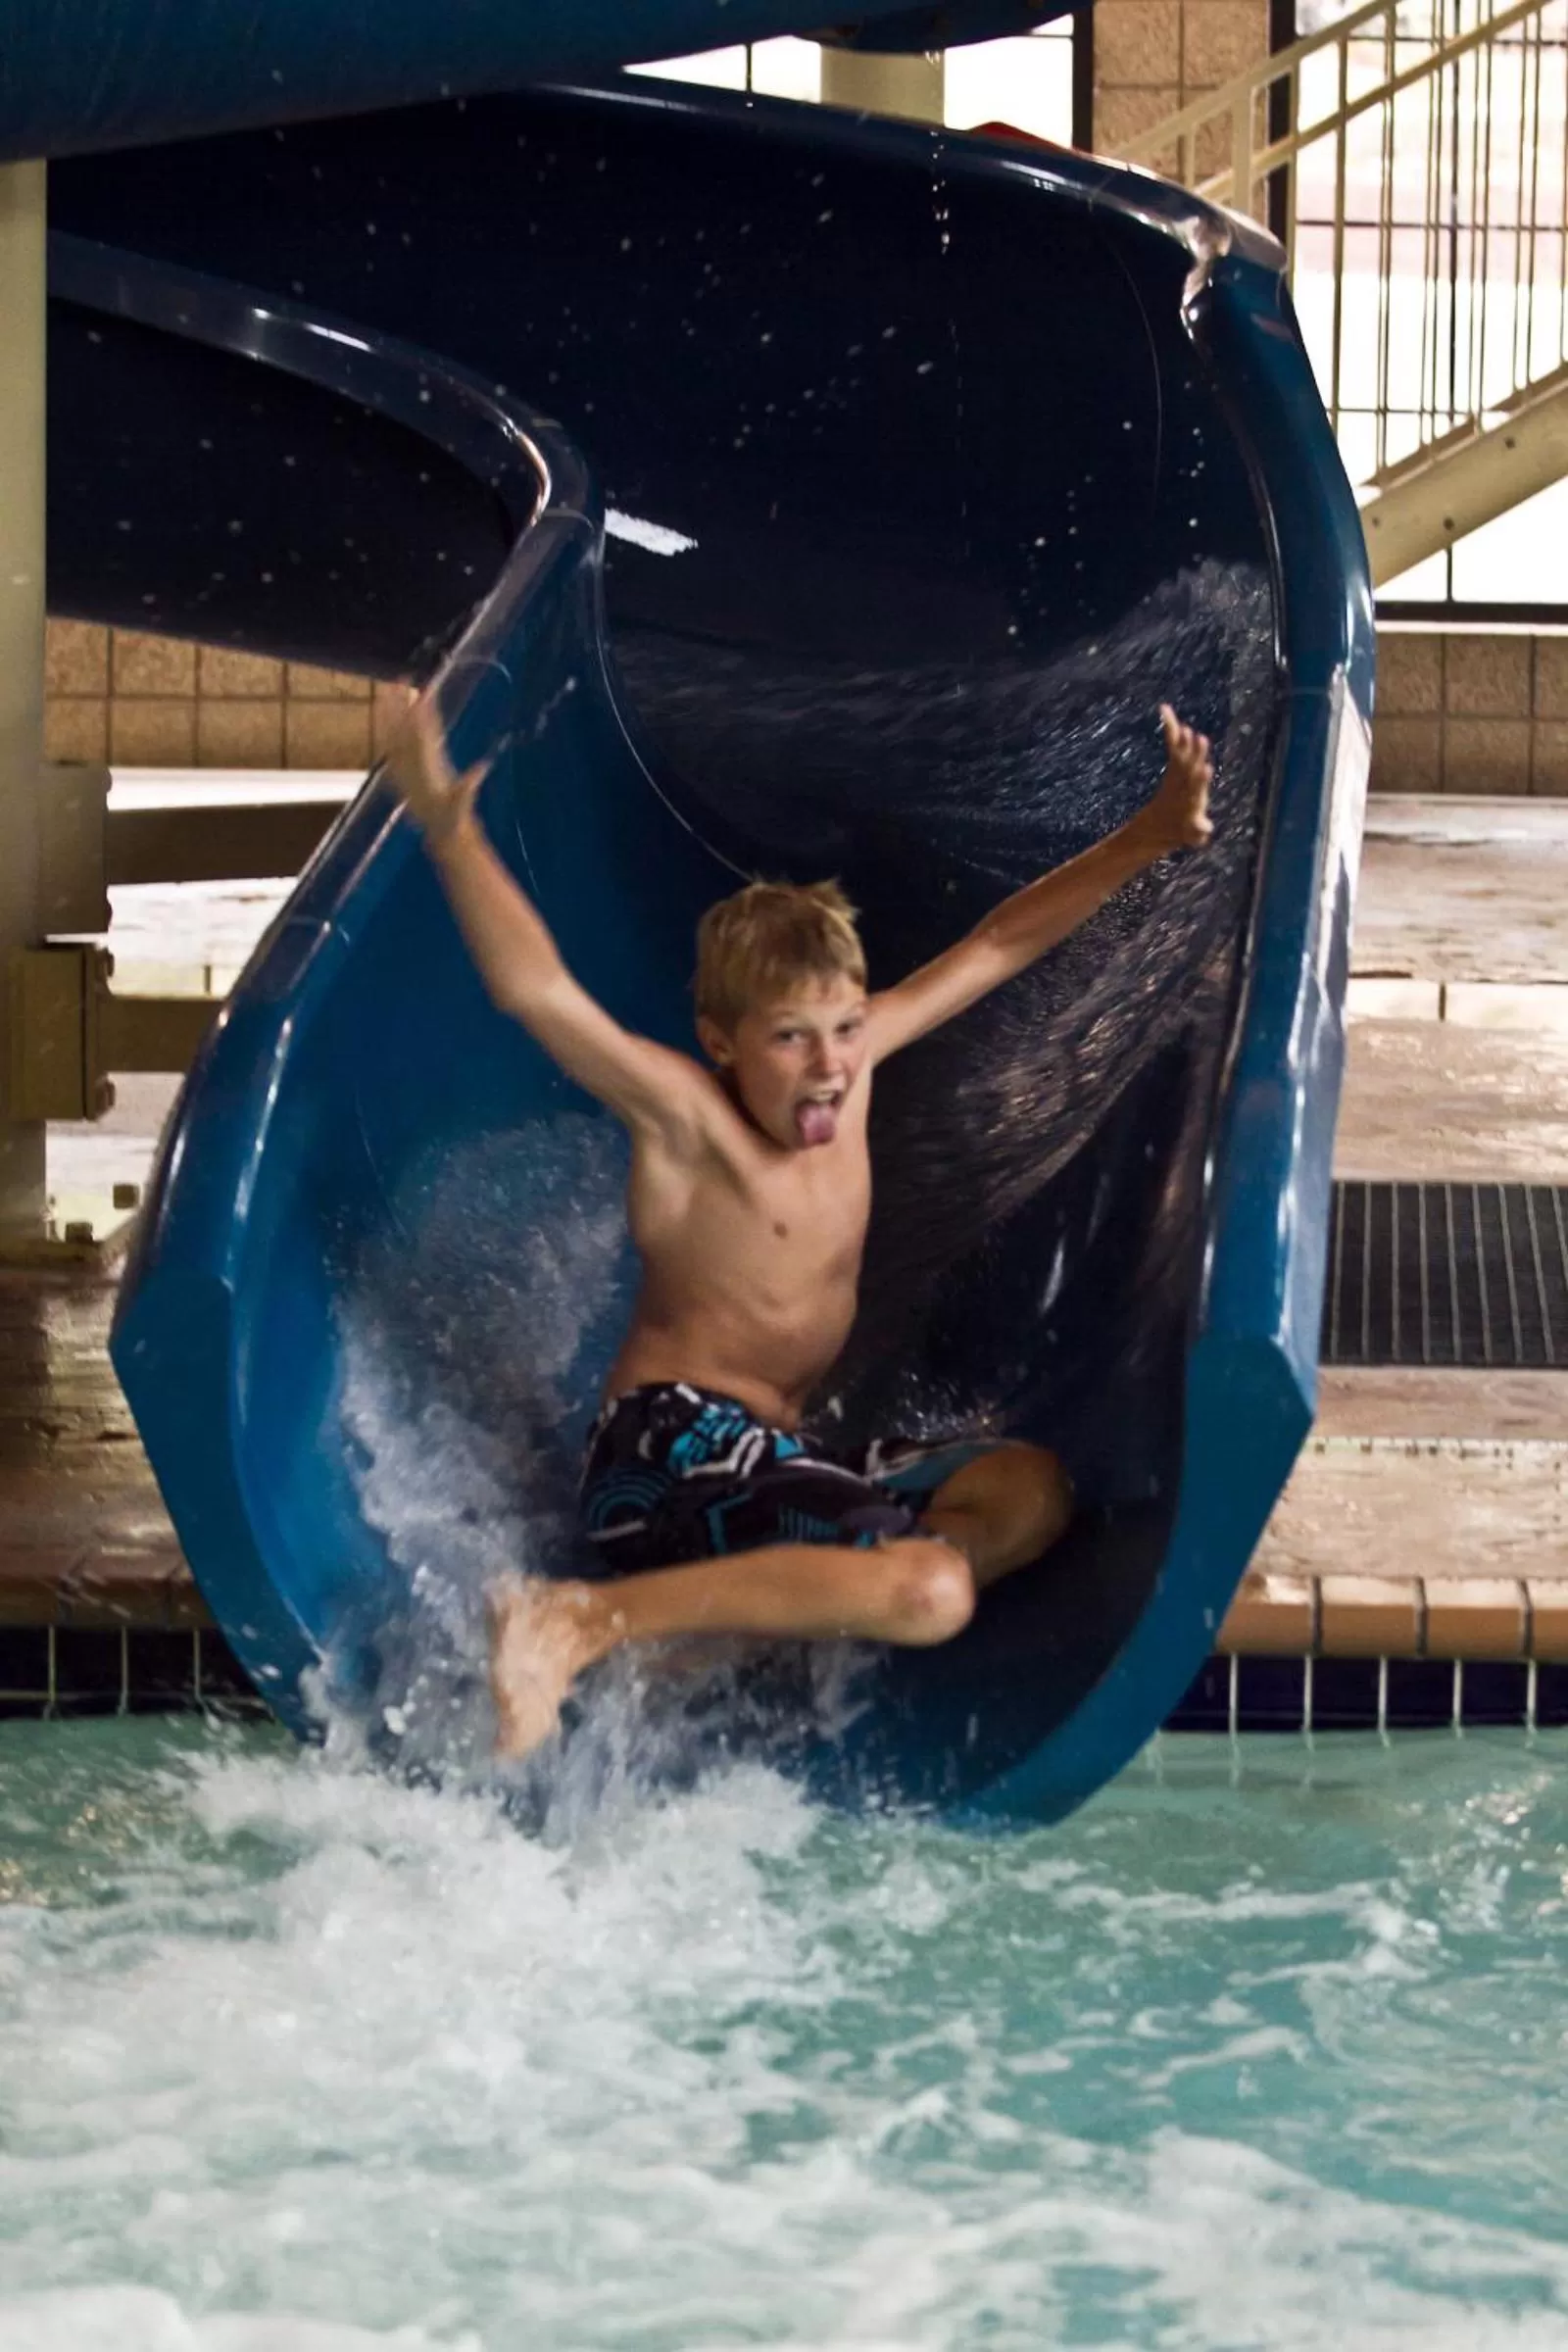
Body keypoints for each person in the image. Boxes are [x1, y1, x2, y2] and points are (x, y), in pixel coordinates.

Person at [386, 701, 1213, 1756]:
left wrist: (1146, 836)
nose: (828, 1065)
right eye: (789, 1039)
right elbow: (535, 990)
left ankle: (722, 1631)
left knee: (1027, 1490)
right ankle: (574, 1619)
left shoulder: (854, 1073)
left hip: (777, 1448)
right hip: (669, 1452)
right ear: (720, 1042)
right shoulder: (688, 1122)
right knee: (933, 1594)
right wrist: (448, 827)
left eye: (843, 1029)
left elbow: (1001, 941)